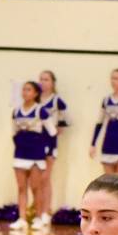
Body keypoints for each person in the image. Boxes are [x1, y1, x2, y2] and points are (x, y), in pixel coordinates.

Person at [9, 80, 57, 234]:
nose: (25, 92)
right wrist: (19, 144)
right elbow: (14, 132)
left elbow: (52, 133)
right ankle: (22, 219)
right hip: (20, 153)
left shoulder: (41, 111)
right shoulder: (16, 111)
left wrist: (49, 152)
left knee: (36, 187)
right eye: (24, 89)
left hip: (36, 154)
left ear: (36, 93)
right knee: (21, 187)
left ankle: (38, 217)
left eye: (29, 89)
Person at [39, 70, 70, 226]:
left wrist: (60, 127)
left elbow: (66, 118)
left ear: (52, 82)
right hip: (34, 142)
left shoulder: (57, 101)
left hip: (50, 142)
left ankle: (46, 211)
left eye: (46, 79)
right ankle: (38, 212)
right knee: (36, 179)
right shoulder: (35, 100)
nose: (42, 82)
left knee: (45, 178)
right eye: (41, 79)